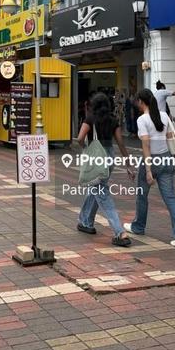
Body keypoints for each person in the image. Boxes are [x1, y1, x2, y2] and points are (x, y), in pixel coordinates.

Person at [125, 89, 175, 248]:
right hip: (167, 159)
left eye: (137, 101)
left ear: (141, 101)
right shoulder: (164, 116)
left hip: (152, 160)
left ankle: (138, 226)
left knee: (142, 195)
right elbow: (170, 138)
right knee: (170, 197)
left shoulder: (142, 120)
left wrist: (148, 170)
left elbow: (146, 145)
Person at [76, 92, 134, 247]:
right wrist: (128, 164)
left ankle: (120, 232)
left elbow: (80, 138)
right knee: (96, 188)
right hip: (109, 157)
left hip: (95, 158)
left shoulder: (90, 119)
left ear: (93, 105)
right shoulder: (113, 120)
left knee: (102, 194)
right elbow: (121, 143)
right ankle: (85, 221)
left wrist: (86, 148)